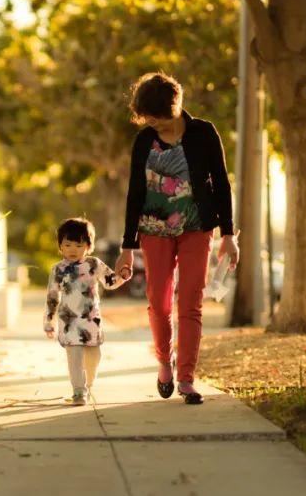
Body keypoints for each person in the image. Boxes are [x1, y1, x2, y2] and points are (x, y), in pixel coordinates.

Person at [115, 72, 239, 405]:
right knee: (159, 302)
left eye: (156, 119)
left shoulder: (203, 133)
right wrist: (127, 247)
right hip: (153, 230)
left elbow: (222, 185)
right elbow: (135, 192)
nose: (151, 124)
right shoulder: (144, 141)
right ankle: (163, 363)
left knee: (190, 302)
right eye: (147, 120)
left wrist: (228, 234)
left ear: (174, 107)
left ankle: (186, 378)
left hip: (197, 227)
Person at [44, 217, 130, 405]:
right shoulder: (58, 269)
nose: (72, 250)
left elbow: (109, 282)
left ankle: (88, 384)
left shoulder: (93, 264)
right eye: (67, 245)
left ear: (88, 246)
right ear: (60, 246)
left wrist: (122, 277)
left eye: (78, 245)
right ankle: (79, 390)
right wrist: (49, 321)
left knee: (93, 356)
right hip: (69, 322)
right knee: (74, 356)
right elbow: (52, 296)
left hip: (91, 320)